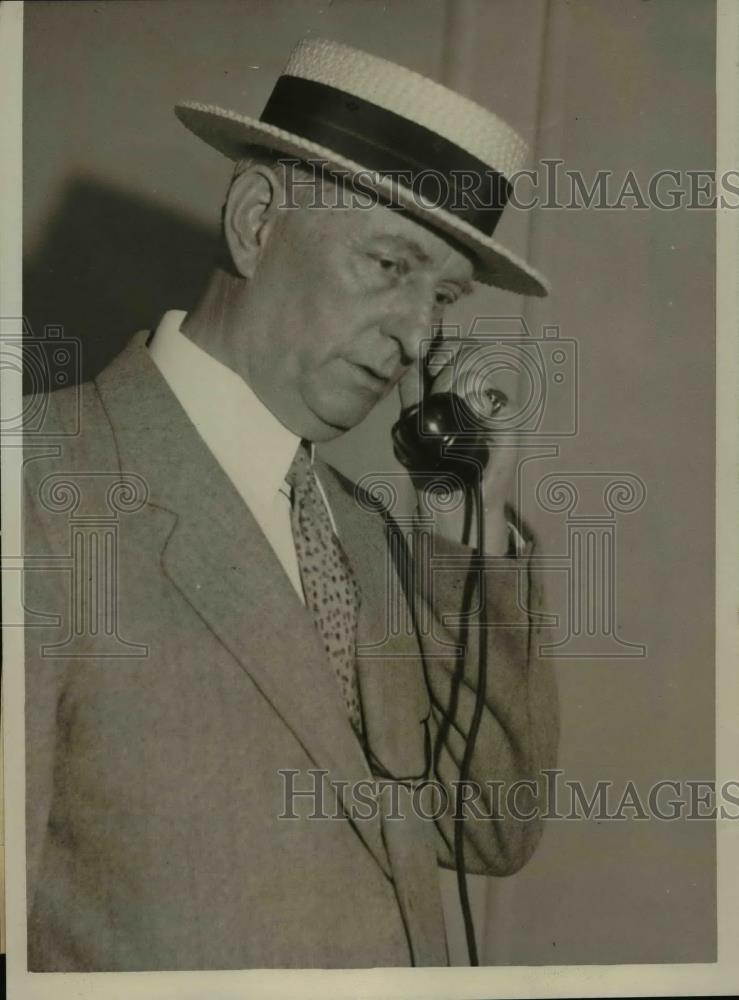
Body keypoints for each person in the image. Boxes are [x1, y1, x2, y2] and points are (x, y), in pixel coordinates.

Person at [23, 36, 559, 970]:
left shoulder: (366, 529)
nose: (416, 336)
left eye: (444, 297)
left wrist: (458, 530)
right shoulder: (36, 479)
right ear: (258, 219)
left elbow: (488, 826)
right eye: (390, 266)